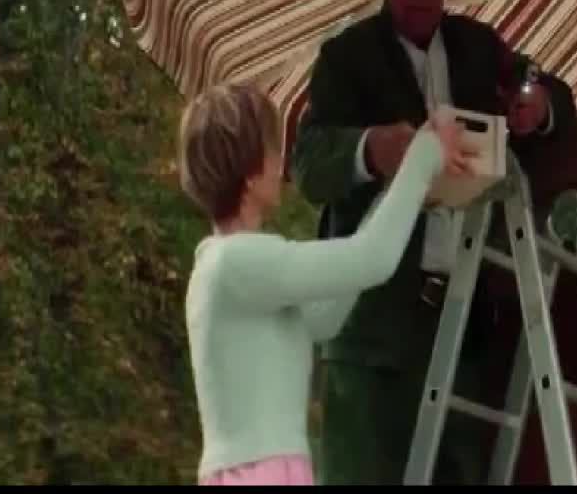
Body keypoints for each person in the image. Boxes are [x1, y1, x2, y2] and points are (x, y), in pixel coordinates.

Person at [291, 0, 577, 485]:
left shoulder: (479, 49)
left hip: (465, 330)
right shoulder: (346, 58)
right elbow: (307, 165)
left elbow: (542, 86)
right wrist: (371, 149)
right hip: (371, 335)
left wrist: (535, 102)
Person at [178, 83, 474, 486]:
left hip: (268, 470)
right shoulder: (237, 262)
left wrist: (396, 191)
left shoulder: (235, 269)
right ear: (249, 172)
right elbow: (372, 259)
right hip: (260, 473)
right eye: (272, 149)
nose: (280, 161)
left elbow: (326, 317)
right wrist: (425, 156)